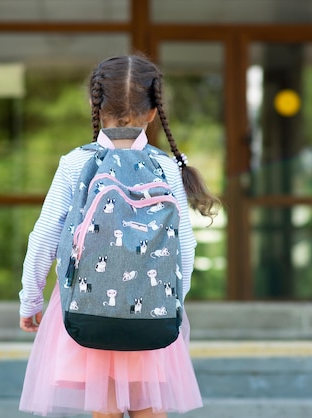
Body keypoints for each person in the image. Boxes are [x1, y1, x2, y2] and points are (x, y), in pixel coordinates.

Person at [18, 54, 220, 418]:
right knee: (150, 409)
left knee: (105, 409)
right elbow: (184, 248)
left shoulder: (76, 163)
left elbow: (44, 237)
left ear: (95, 105)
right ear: (153, 111)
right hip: (151, 308)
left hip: (86, 308)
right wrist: (171, 303)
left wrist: (30, 299)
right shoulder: (165, 166)